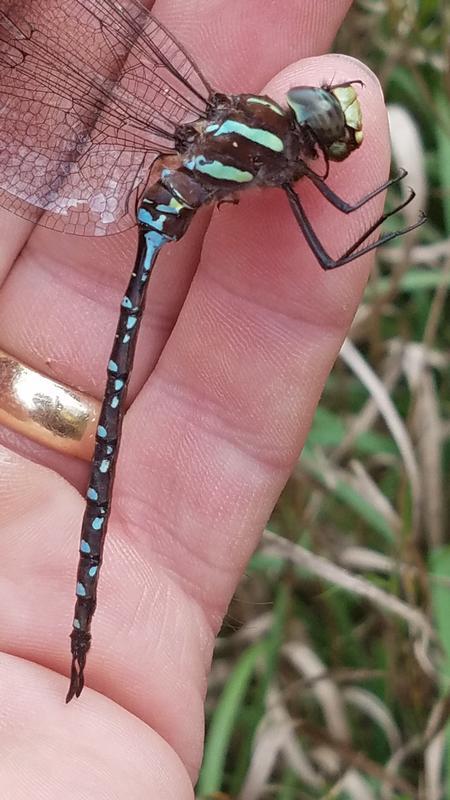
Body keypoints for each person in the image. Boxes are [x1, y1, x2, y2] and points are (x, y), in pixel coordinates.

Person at [0, 0, 392, 796]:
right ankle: (75, 634)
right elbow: (338, 223)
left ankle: (75, 656)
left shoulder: (249, 129)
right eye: (320, 126)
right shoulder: (284, 151)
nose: (321, 121)